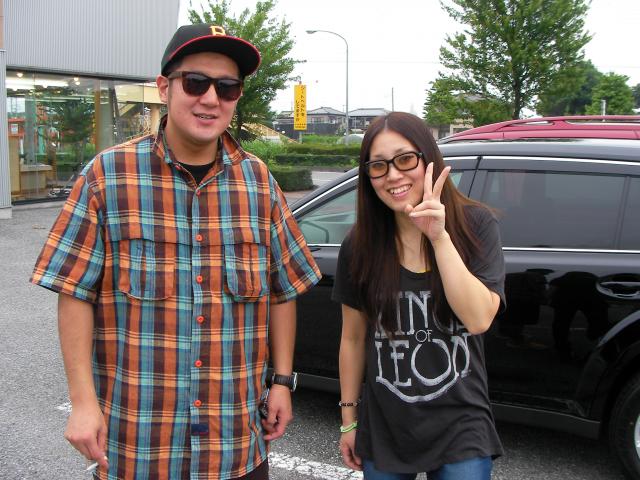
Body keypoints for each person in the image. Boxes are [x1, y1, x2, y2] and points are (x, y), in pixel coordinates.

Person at [31, 24, 321, 480]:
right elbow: (74, 291)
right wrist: (83, 401)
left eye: (227, 87)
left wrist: (282, 381)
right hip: (138, 444)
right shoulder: (108, 176)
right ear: (164, 88)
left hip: (235, 445)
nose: (211, 98)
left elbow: (283, 290)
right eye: (196, 82)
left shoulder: (259, 183)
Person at [332, 112, 505, 479]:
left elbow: (478, 319)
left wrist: (439, 237)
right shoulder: (359, 245)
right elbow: (353, 338)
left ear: (428, 159)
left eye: (405, 159)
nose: (393, 175)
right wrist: (349, 420)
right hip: (386, 428)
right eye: (379, 165)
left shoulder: (475, 225)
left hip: (462, 425)